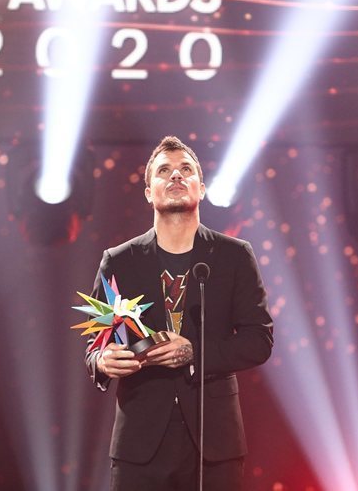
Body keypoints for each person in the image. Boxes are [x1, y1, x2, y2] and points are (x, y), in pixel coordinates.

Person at [85, 135, 274, 490]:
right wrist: (102, 362)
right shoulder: (119, 261)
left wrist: (194, 353)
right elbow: (97, 345)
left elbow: (258, 340)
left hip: (213, 442)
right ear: (148, 192)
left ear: (200, 188)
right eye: (164, 171)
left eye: (185, 170)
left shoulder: (234, 256)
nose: (175, 176)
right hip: (140, 444)